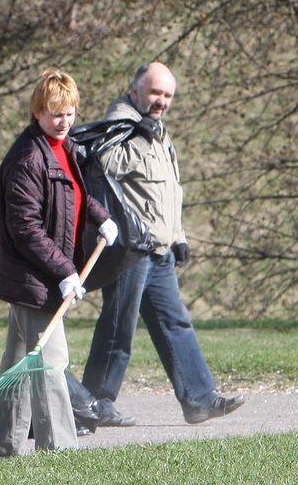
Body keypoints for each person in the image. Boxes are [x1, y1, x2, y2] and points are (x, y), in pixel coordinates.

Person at [78, 62, 245, 426]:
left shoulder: (158, 130)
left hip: (160, 250)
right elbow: (104, 163)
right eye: (155, 93)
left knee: (175, 324)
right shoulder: (121, 123)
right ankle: (95, 403)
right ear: (135, 89)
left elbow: (170, 189)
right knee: (118, 327)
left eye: (167, 95)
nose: (161, 101)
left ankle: (199, 398)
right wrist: (139, 135)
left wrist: (179, 236)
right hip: (131, 251)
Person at [0, 69, 117, 457]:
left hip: (45, 274)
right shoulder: (27, 158)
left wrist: (100, 216)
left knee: (19, 364)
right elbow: (24, 227)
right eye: (56, 113)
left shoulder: (65, 149)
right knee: (51, 363)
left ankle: (3, 451)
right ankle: (59, 451)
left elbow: (72, 195)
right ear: (38, 112)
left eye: (71, 112)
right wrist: (64, 272)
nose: (65, 121)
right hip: (32, 277)